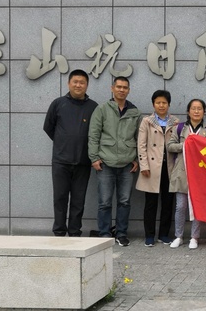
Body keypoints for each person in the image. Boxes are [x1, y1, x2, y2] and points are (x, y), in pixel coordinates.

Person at [43, 69, 98, 237]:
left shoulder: (93, 107)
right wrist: (63, 142)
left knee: (78, 200)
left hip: (83, 161)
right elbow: (48, 127)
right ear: (69, 83)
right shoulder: (58, 104)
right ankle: (59, 232)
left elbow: (96, 133)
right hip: (61, 161)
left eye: (82, 82)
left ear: (87, 85)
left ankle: (75, 232)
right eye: (75, 82)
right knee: (60, 198)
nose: (78, 85)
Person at [88, 76, 142, 247]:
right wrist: (94, 158)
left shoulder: (135, 112)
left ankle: (121, 233)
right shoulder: (102, 109)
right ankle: (105, 234)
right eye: (118, 87)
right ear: (112, 88)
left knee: (124, 201)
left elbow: (139, 138)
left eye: (125, 87)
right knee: (104, 202)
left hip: (127, 164)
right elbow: (93, 135)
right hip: (105, 162)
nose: (121, 90)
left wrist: (136, 159)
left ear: (129, 90)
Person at [136, 90, 178, 247]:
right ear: (153, 104)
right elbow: (141, 145)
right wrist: (144, 165)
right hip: (152, 167)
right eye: (158, 102)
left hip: (169, 166)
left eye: (164, 102)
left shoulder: (175, 122)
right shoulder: (147, 121)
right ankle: (149, 235)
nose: (161, 105)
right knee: (151, 203)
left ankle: (164, 234)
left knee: (168, 202)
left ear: (169, 104)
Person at [167, 99, 206, 250]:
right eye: (193, 108)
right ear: (188, 111)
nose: (196, 111)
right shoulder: (179, 128)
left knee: (197, 206)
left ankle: (194, 237)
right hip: (182, 172)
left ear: (204, 112)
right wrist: (186, 145)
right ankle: (178, 236)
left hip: (200, 174)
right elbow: (170, 146)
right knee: (181, 206)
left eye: (199, 109)